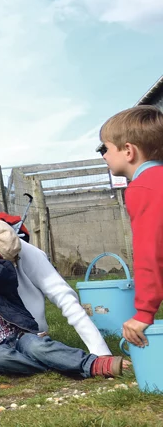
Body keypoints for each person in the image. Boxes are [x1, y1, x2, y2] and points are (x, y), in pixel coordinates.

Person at [0, 219, 123, 378]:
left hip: (19, 335)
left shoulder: (4, 271)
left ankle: (90, 364)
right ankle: (57, 365)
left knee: (38, 348)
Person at [0, 205, 112, 357]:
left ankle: (81, 361)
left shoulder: (24, 251)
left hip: (29, 332)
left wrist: (100, 349)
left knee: (33, 349)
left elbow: (63, 296)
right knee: (0, 359)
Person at [98, 105, 163, 347]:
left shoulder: (143, 188)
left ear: (128, 151)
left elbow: (150, 252)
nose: (104, 155)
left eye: (106, 148)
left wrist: (144, 313)